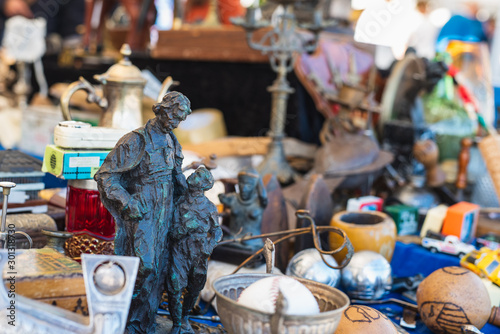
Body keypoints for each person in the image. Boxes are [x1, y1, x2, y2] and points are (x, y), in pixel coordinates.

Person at [95, 91, 191, 334]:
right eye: (173, 116)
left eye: (180, 120)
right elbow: (106, 175)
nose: (175, 123)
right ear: (161, 110)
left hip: (166, 212)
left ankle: (144, 323)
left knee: (160, 269)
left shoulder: (172, 140)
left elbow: (177, 175)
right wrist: (127, 202)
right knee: (143, 266)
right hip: (143, 213)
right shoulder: (136, 140)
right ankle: (124, 320)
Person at [166, 166, 222, 334]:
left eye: (198, 175)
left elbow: (217, 231)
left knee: (195, 287)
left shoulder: (210, 207)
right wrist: (185, 229)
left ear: (204, 185)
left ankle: (184, 318)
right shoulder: (179, 203)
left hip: (200, 253)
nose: (193, 175)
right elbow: (171, 232)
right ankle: (176, 324)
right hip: (180, 251)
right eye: (195, 172)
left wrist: (210, 246)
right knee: (175, 287)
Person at [218, 166, 267, 251]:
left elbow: (263, 196)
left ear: (255, 186)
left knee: (247, 245)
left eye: (248, 185)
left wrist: (258, 179)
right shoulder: (233, 198)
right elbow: (221, 197)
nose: (244, 188)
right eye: (241, 183)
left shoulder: (259, 202)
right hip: (232, 238)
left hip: (252, 241)